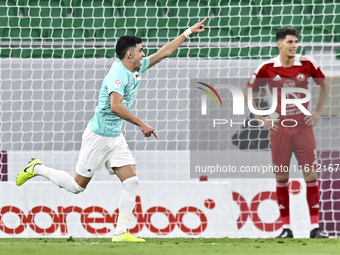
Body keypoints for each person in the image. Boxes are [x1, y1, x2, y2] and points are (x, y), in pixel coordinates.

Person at [16, 18, 207, 242]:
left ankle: (120, 232)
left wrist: (188, 32)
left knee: (132, 182)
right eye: (141, 50)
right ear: (129, 55)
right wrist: (141, 124)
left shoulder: (135, 67)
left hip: (115, 137)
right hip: (98, 137)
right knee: (77, 187)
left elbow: (164, 52)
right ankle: (36, 167)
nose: (144, 54)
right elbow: (115, 107)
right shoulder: (117, 75)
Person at [243, 27, 330, 238]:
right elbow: (248, 90)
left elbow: (325, 85)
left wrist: (318, 112)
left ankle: (314, 228)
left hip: (303, 128)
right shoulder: (267, 67)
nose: (294, 46)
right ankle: (286, 228)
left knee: (311, 175)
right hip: (280, 128)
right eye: (290, 42)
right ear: (279, 44)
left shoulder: (307, 63)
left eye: (296, 42)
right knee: (282, 177)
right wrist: (260, 118)